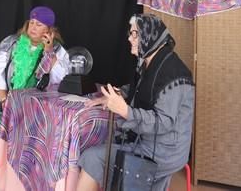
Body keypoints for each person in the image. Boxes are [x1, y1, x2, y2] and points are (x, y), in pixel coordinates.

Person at [77, 14, 194, 191]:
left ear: (150, 36)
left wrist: (125, 111)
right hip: (146, 139)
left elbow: (163, 123)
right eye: (131, 33)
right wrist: (116, 95)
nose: (130, 39)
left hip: (165, 149)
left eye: (135, 34)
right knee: (100, 146)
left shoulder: (174, 74)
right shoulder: (150, 62)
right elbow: (139, 89)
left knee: (93, 157)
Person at [0, 6, 71, 190]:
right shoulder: (11, 42)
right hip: (2, 97)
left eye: (40, 25)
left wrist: (49, 51)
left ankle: (21, 174)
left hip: (33, 104)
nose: (34, 28)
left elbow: (57, 82)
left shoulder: (58, 51)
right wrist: (5, 101)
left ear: (49, 31)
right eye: (32, 23)